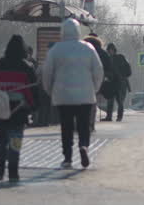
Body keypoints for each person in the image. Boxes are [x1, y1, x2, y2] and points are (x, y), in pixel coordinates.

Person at [42, 18, 104, 169]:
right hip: (85, 96)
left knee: (66, 127)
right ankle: (84, 146)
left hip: (63, 96)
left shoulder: (56, 50)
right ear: (78, 31)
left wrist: (50, 90)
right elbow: (98, 71)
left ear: (62, 32)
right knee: (84, 125)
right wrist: (94, 88)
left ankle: (67, 157)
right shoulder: (88, 48)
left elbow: (47, 72)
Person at [0, 35, 37, 182]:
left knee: (1, 138)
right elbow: (32, 92)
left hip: (1, 109)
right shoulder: (26, 67)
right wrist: (33, 107)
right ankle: (13, 171)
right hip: (19, 110)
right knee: (16, 139)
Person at [84, 35, 112, 130]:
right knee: (93, 102)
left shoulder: (83, 51)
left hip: (83, 80)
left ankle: (82, 122)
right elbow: (108, 67)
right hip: (97, 81)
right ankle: (91, 123)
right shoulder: (103, 53)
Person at [104, 43, 132, 122]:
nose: (110, 51)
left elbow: (128, 70)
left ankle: (119, 116)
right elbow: (106, 70)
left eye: (111, 50)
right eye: (109, 50)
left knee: (120, 100)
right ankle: (109, 116)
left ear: (114, 50)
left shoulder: (121, 57)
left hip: (120, 82)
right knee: (110, 100)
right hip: (111, 82)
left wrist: (122, 76)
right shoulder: (108, 59)